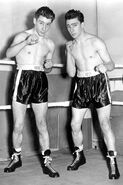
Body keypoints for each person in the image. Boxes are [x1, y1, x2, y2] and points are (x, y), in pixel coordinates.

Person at [4, 6, 59, 178]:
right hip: (23, 78)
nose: (43, 27)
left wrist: (49, 66)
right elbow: (8, 53)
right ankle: (16, 157)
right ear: (34, 20)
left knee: (42, 123)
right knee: (18, 124)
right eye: (41, 23)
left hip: (40, 80)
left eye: (47, 24)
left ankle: (47, 161)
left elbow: (48, 64)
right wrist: (26, 42)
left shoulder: (50, 44)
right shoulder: (21, 36)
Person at [65, 9, 120, 179]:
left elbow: (111, 63)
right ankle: (79, 156)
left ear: (82, 24)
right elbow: (70, 73)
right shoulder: (71, 45)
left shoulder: (96, 42)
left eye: (74, 25)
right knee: (74, 125)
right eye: (68, 26)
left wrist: (106, 67)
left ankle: (112, 161)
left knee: (104, 123)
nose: (71, 29)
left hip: (99, 83)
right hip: (81, 84)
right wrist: (67, 53)